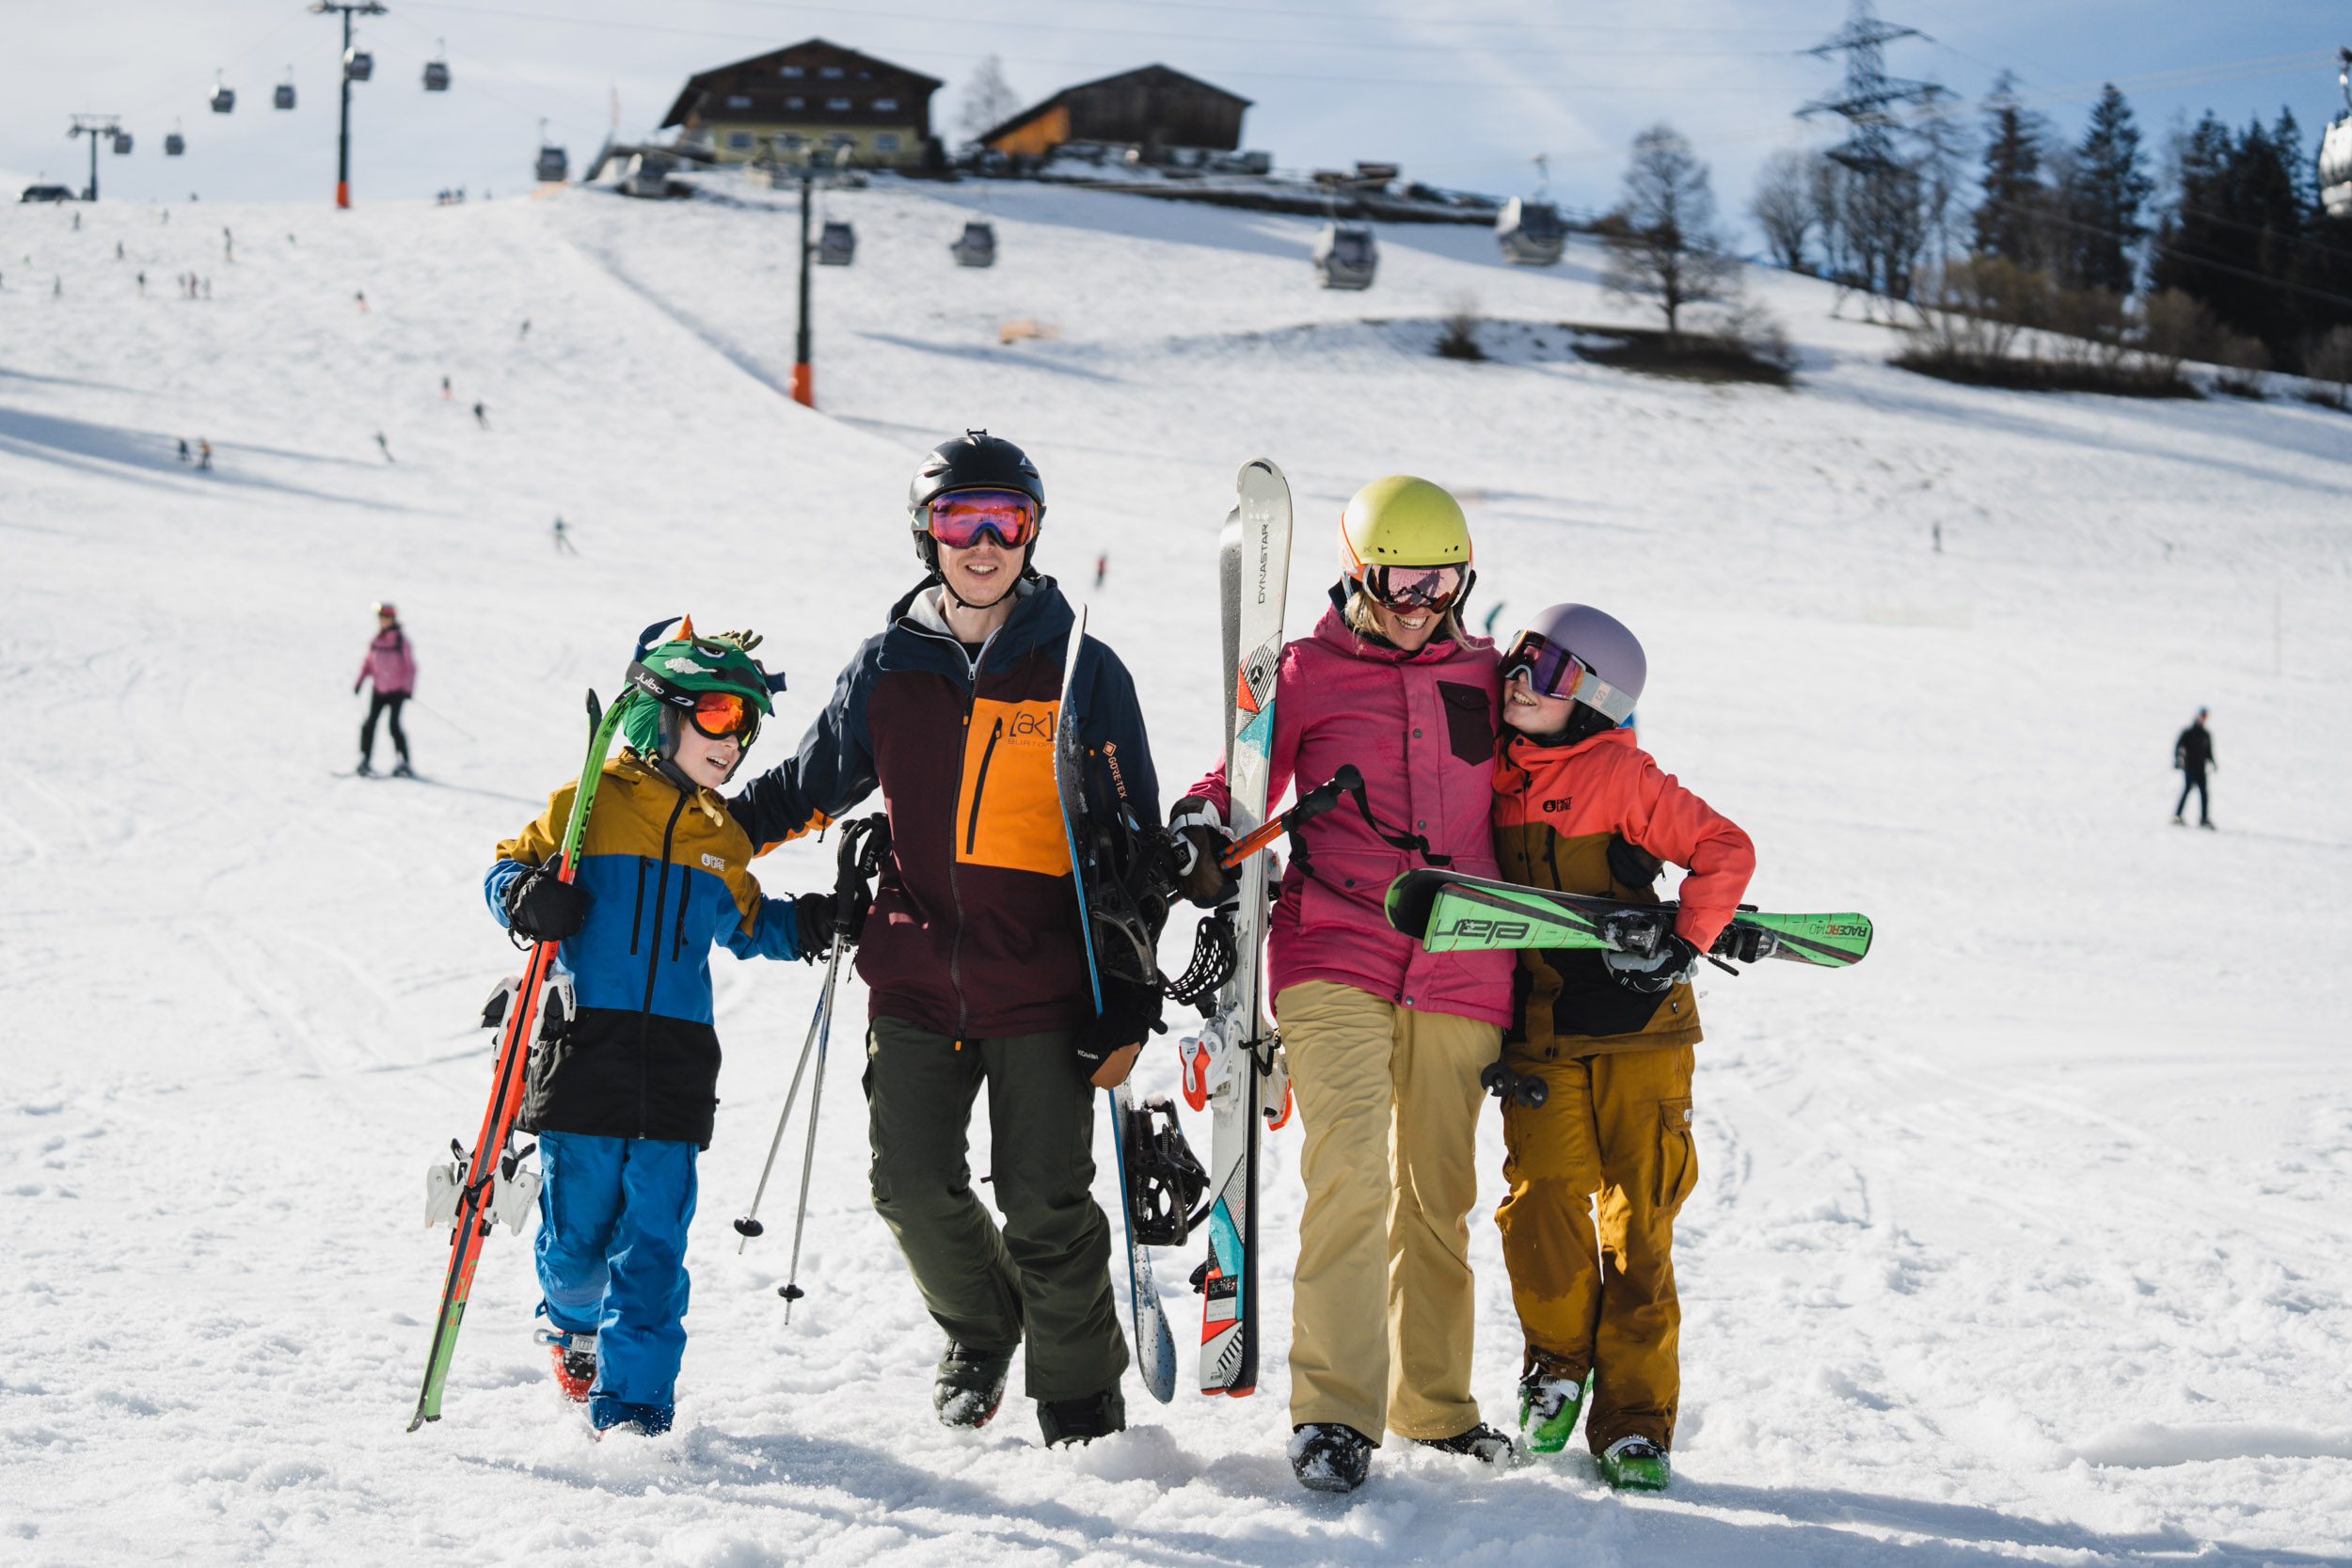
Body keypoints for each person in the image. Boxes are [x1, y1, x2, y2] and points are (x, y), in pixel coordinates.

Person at [729, 431, 1163, 1449]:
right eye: (958, 518)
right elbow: (802, 788)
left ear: (1031, 532)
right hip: (915, 973)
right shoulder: (888, 667)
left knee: (1045, 1203)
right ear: (926, 533)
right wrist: (692, 829)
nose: (982, 541)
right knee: (911, 1186)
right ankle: (983, 1327)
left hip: (1045, 984)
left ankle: (1081, 1407)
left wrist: (1130, 984)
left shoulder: (1082, 670)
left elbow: (1134, 841)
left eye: (1003, 520)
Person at [1170, 475, 1518, 1494]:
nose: (1421, 603)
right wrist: (1200, 824)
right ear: (1358, 570)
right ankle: (1333, 1411)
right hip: (1336, 947)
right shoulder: (1306, 673)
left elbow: (1565, 770)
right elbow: (1236, 774)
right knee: (1353, 1171)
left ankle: (1435, 1407)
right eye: (1400, 579)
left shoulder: (1490, 675)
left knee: (1436, 1194)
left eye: (1442, 581)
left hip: (1464, 960)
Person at [486, 620, 826, 1437]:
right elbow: (506, 867)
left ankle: (635, 1408)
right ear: (661, 712)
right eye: (716, 712)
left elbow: (748, 925)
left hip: (676, 1064)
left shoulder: (721, 836)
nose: (733, 738)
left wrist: (816, 920)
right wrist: (526, 898)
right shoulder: (587, 805)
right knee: (579, 1242)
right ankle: (571, 1321)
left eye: (744, 722)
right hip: (585, 1052)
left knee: (654, 1248)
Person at [1485, 604, 1754, 1493]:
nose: (1523, 680)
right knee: (1543, 1204)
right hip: (1542, 1035)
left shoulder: (1623, 776)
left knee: (1640, 1224)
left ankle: (1635, 1422)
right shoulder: (1488, 770)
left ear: (1594, 699)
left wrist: (1689, 936)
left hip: (1642, 1034)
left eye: (1551, 672)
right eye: (1522, 660)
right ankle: (1558, 1363)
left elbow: (1724, 849)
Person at [354, 602, 415, 777]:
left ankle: (403, 762)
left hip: (397, 691)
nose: (383, 620)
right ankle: (365, 759)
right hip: (379, 689)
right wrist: (360, 682)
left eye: (386, 617)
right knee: (369, 724)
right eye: (381, 617)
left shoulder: (400, 641)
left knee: (394, 726)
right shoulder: (377, 640)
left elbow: (410, 667)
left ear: (393, 619)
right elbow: (368, 663)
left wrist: (407, 689)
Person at [2173, 707, 2215, 829]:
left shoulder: (2206, 734)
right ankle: (2177, 816)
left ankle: (2204, 819)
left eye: (2205, 717)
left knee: (2204, 794)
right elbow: (2179, 747)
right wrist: (2178, 760)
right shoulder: (2189, 732)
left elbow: (2208, 751)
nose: (2203, 719)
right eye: (2202, 716)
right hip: (2190, 767)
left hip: (2201, 768)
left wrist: (2213, 762)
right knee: (2187, 790)